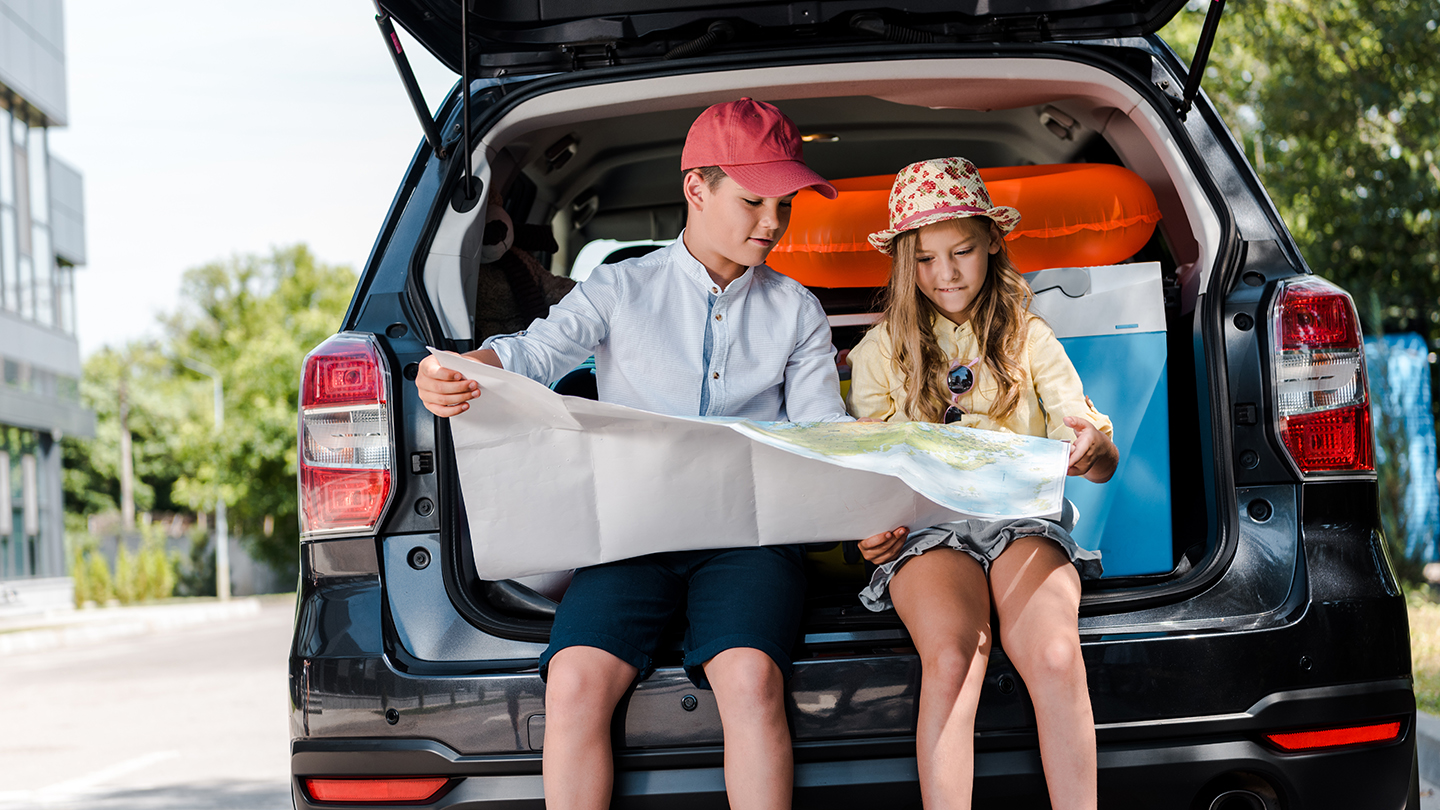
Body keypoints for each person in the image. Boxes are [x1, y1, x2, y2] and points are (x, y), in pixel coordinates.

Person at [416, 97, 847, 810]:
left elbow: (822, 431)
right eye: (753, 201)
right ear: (696, 189)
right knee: (574, 682)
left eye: (785, 205)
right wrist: (460, 369)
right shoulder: (620, 287)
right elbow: (537, 351)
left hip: (750, 535)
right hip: (633, 535)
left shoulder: (796, 309)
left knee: (750, 679)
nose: (772, 223)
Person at [846, 157, 1118, 810]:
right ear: (904, 263)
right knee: (952, 658)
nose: (945, 273)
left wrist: (1090, 447)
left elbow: (1098, 452)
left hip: (1021, 519)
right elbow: (869, 470)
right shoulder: (878, 351)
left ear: (993, 241)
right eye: (925, 259)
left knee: (1055, 655)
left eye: (962, 251)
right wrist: (870, 530)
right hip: (927, 530)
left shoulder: (1029, 336)